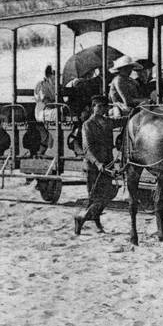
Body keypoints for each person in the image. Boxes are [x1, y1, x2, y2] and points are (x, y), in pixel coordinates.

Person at [74, 96, 116, 235]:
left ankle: (92, 220)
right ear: (94, 107)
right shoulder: (87, 125)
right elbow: (87, 149)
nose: (102, 109)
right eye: (100, 106)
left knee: (108, 194)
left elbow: (122, 121)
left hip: (107, 164)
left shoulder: (107, 122)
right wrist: (97, 163)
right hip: (93, 167)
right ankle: (81, 219)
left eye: (104, 106)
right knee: (95, 197)